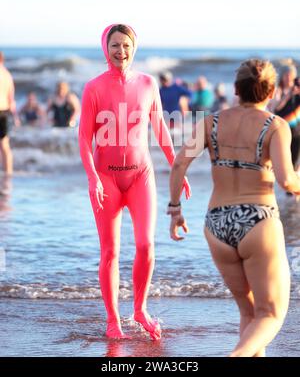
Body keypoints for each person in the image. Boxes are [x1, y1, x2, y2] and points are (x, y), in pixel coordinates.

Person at [167, 59, 300, 357]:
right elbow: (287, 180)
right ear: (271, 91)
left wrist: (175, 209)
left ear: (236, 89)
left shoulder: (210, 123)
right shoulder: (276, 126)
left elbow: (179, 164)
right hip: (257, 220)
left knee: (250, 313)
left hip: (216, 224)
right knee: (271, 314)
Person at [79, 24, 191, 340]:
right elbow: (84, 138)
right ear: (106, 48)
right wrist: (92, 178)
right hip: (106, 179)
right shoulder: (94, 88)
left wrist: (176, 168)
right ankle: (113, 320)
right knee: (110, 252)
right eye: (115, 45)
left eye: (126, 45)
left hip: (140, 175)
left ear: (134, 48)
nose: (121, 51)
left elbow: (161, 130)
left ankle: (140, 309)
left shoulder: (147, 83)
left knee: (146, 245)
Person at [270, 64, 300, 171]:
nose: (289, 78)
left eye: (291, 75)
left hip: (296, 129)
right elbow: (276, 108)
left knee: (295, 158)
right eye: (287, 75)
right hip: (282, 128)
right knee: (283, 156)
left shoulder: (297, 90)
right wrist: (288, 95)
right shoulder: (278, 90)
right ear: (282, 76)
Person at [0, 52, 20, 174]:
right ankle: (8, 173)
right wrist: (16, 116)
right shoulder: (7, 75)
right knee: (5, 144)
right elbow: (11, 99)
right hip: (5, 112)